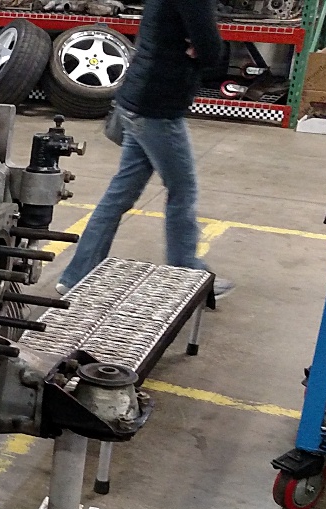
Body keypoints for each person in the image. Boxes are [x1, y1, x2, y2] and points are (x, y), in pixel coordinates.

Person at [55, 0, 233, 300]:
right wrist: (201, 47)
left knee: (120, 194)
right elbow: (212, 51)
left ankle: (77, 275)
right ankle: (186, 274)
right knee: (183, 190)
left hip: (136, 101)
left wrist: (196, 45)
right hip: (158, 109)